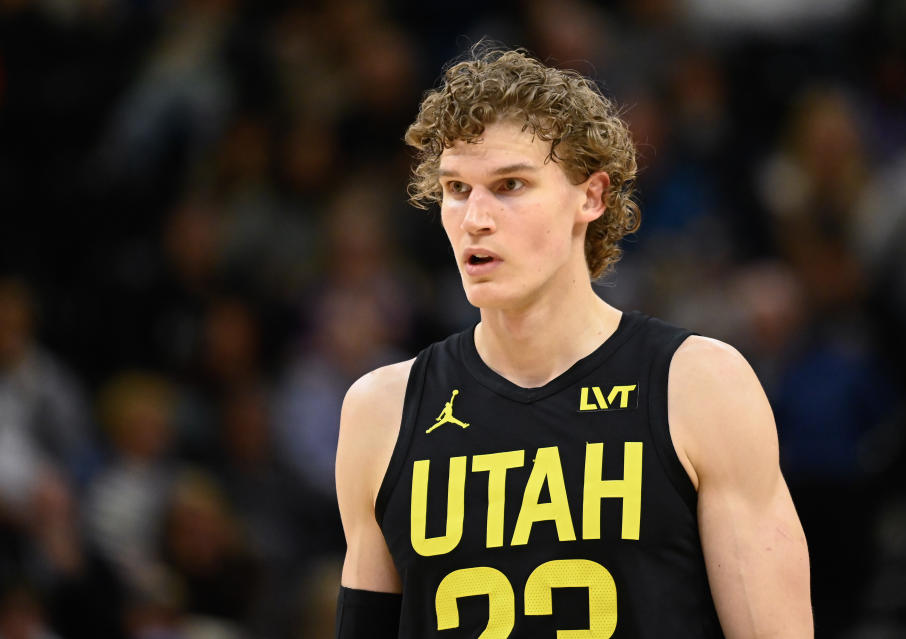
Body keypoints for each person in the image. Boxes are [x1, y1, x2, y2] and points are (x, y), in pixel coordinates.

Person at [335, 47, 813, 638]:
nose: (475, 218)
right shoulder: (380, 411)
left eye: (510, 184)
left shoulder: (699, 384)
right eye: (457, 188)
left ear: (591, 197)